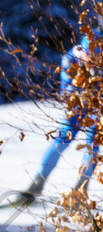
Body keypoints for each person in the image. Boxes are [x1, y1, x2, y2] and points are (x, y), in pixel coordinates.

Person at [15, 32, 99, 206]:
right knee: (60, 141)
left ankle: (80, 190)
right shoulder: (70, 60)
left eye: (97, 57)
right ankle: (37, 184)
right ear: (82, 51)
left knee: (92, 146)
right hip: (75, 107)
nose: (93, 61)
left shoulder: (98, 62)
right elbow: (68, 92)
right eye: (90, 56)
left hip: (96, 109)